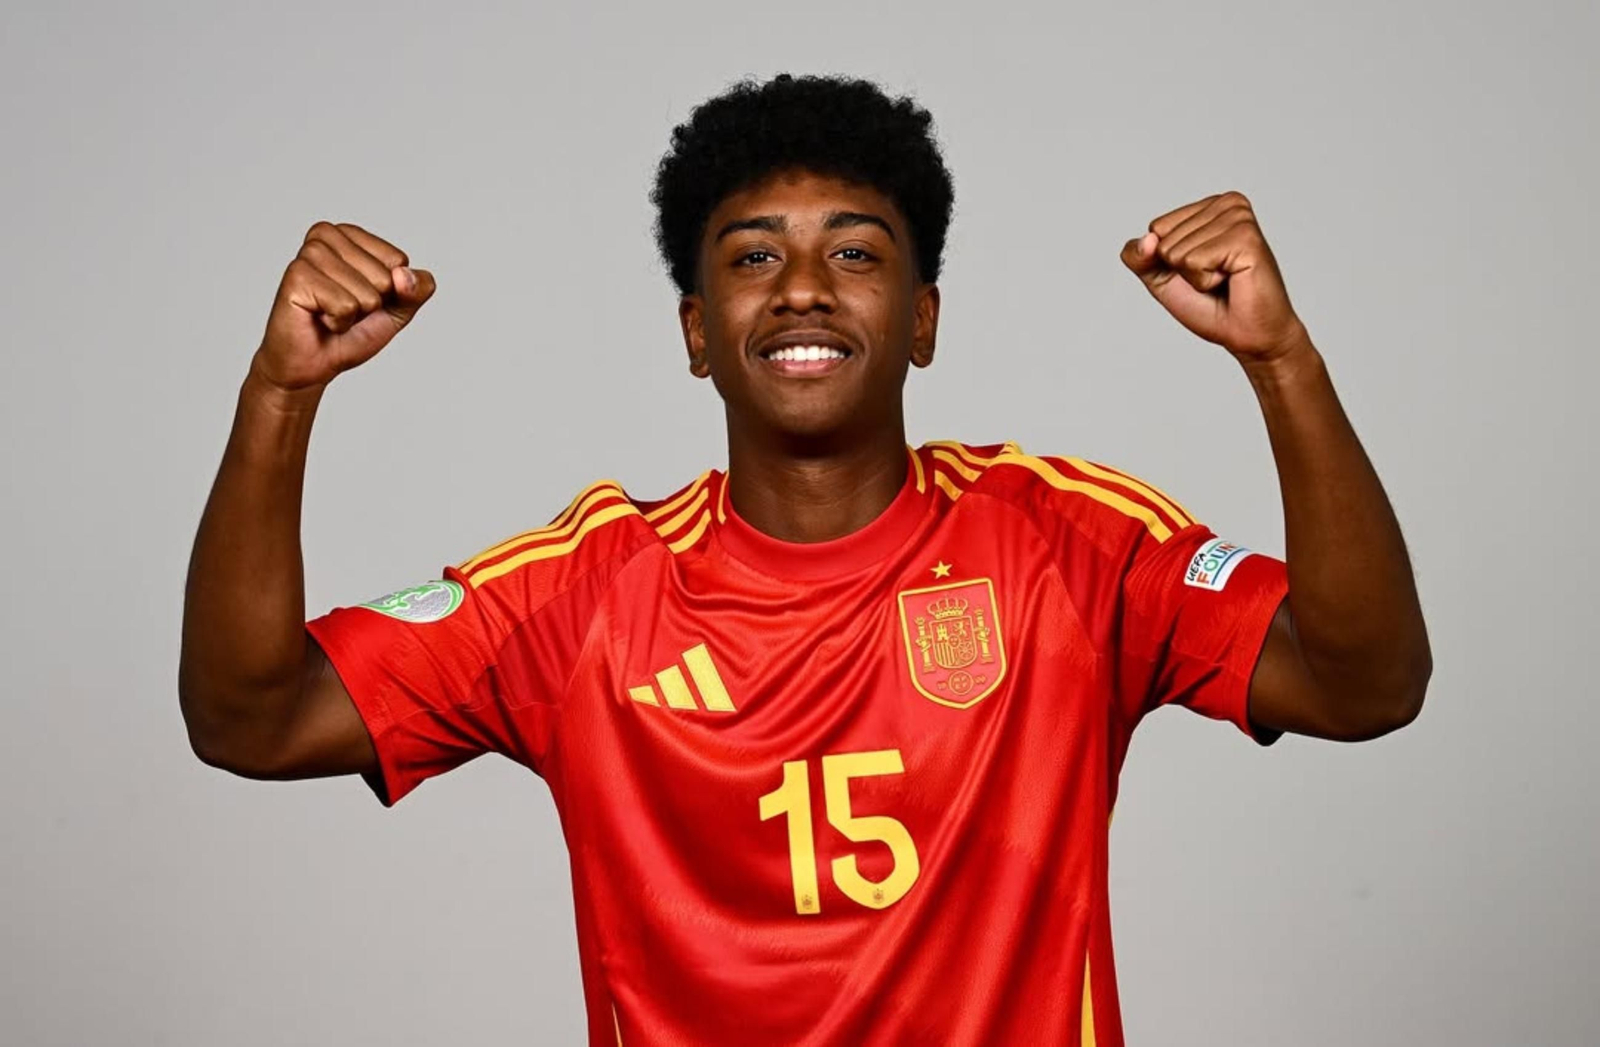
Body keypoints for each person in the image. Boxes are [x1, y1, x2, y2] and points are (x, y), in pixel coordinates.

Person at [179, 74, 1431, 1045]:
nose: (801, 291)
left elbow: (1364, 686)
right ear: (695, 333)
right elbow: (252, 718)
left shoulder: (1063, 543)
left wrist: (1282, 365)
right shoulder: (583, 594)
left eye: (856, 252)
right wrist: (280, 395)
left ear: (923, 319)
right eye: (751, 256)